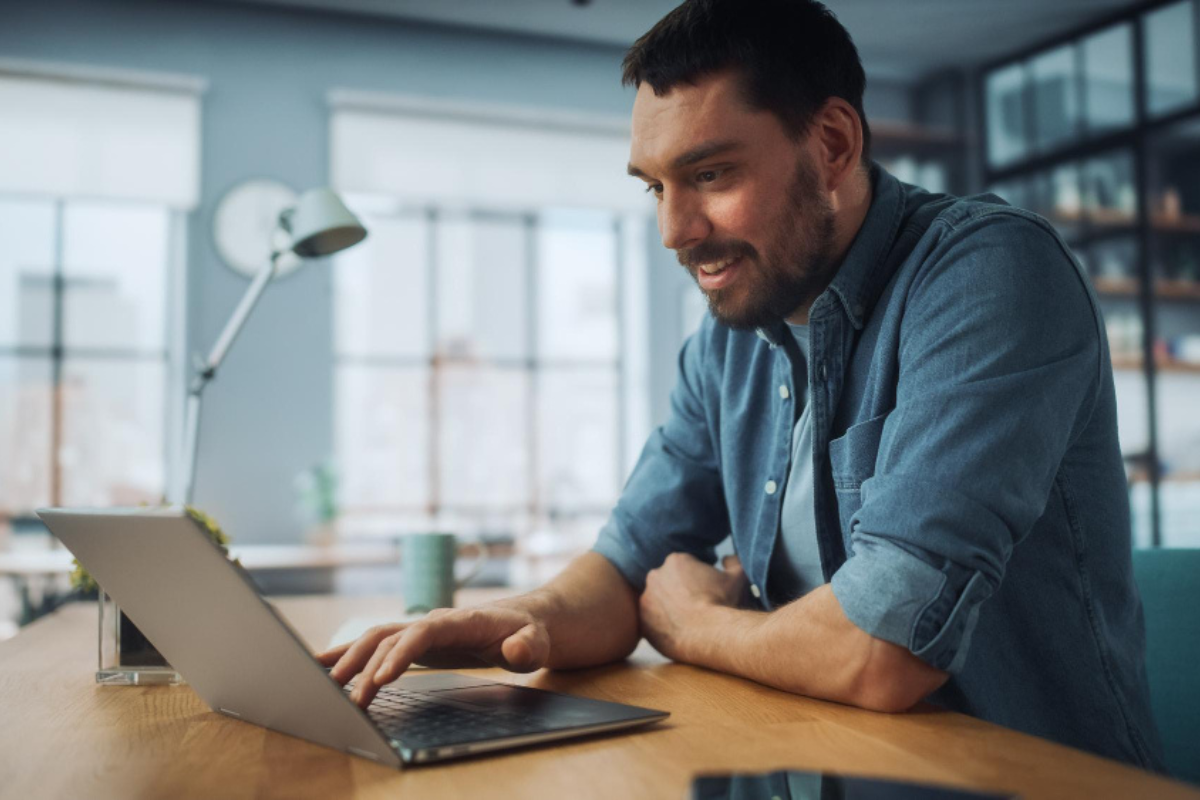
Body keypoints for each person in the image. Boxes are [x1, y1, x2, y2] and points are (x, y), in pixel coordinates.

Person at [318, 0, 1166, 772]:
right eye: (656, 187)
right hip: (825, 762)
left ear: (832, 144)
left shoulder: (990, 275)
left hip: (1028, 779)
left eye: (712, 175)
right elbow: (628, 568)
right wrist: (514, 619)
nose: (673, 231)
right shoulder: (731, 338)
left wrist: (694, 627)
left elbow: (881, 649)